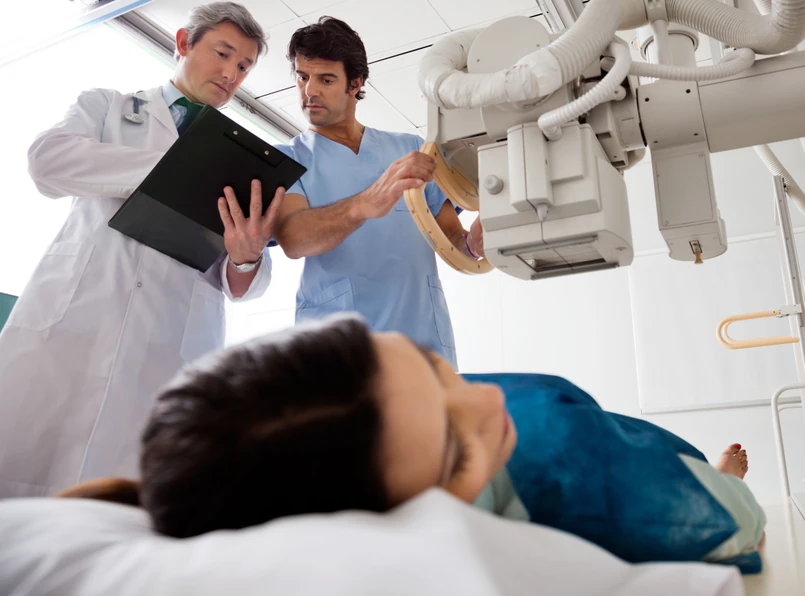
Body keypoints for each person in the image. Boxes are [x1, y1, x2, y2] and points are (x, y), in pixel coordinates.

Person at [67, 314, 760, 568]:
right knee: (694, 482)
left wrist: (451, 414)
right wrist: (725, 497)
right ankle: (709, 468)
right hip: (568, 454)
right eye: (456, 454)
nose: (484, 399)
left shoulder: (459, 407)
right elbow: (736, 527)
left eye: (432, 364)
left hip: (561, 418)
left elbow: (473, 404)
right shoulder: (578, 494)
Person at [0, 2, 283, 499]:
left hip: (165, 348)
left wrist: (247, 255)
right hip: (75, 325)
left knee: (127, 511)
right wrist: (172, 170)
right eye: (223, 54)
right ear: (183, 43)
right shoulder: (107, 108)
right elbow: (48, 163)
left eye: (244, 66)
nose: (231, 74)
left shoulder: (238, 161)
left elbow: (242, 282)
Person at [273, 17, 486, 369]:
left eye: (326, 79)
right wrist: (365, 203)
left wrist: (475, 244)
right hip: (337, 358)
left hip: (423, 345)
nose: (309, 90)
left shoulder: (410, 150)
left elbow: (452, 237)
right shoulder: (289, 159)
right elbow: (293, 239)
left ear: (355, 83)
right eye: (302, 76)